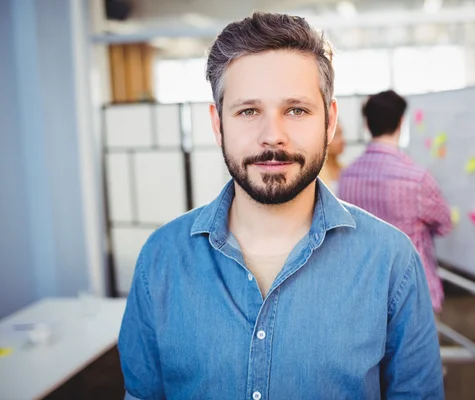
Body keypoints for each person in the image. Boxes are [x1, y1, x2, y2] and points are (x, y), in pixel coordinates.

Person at [118, 13, 443, 400]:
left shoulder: (392, 262)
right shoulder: (161, 258)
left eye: (296, 110)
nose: (272, 135)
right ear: (218, 124)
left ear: (330, 121)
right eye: (248, 111)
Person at [339, 90, 452, 313]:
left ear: (366, 125)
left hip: (364, 291)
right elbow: (445, 225)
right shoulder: (418, 178)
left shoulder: (347, 176)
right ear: (402, 121)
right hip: (413, 293)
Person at [319, 123, 345, 194]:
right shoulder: (317, 174)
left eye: (342, 134)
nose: (342, 140)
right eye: (336, 135)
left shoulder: (345, 168)